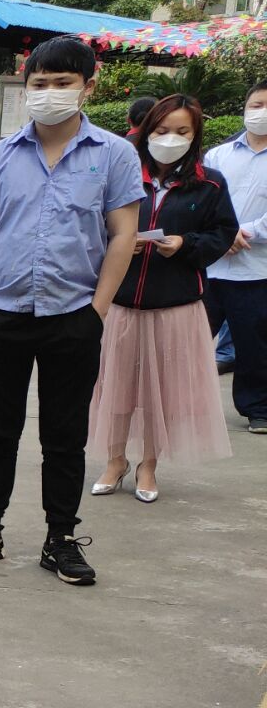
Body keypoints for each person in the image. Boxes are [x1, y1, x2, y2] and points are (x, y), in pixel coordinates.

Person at [0, 34, 142, 587]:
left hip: (73, 316)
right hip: (0, 315)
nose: (49, 93)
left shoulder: (113, 155)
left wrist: (97, 310)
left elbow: (123, 235)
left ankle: (60, 539)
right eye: (40, 83)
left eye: (63, 82)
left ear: (88, 85)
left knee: (65, 437)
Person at [87, 94, 236, 502]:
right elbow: (92, 225)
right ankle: (115, 460)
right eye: (162, 130)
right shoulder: (122, 175)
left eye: (182, 131)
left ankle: (148, 465)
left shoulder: (210, 183)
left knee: (160, 395)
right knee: (114, 388)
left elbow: (222, 234)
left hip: (175, 307)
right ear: (146, 131)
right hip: (119, 303)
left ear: (195, 134)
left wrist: (186, 244)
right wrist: (121, 243)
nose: (171, 139)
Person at [201, 79, 267, 433]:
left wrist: (243, 233)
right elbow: (202, 201)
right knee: (191, 341)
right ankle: (182, 404)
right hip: (210, 268)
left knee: (254, 346)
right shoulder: (218, 155)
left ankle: (257, 408)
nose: (261, 112)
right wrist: (221, 235)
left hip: (256, 270)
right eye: (256, 105)